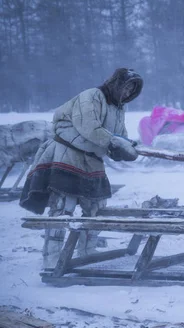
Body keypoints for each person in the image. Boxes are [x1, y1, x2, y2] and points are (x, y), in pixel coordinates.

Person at [20, 68, 143, 268]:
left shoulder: (119, 109)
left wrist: (127, 148)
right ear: (116, 83)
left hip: (93, 159)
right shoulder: (91, 97)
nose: (128, 92)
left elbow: (120, 136)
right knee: (62, 208)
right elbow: (89, 127)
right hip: (68, 153)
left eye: (132, 89)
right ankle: (52, 260)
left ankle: (87, 253)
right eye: (127, 86)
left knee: (96, 208)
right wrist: (113, 143)